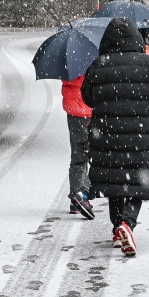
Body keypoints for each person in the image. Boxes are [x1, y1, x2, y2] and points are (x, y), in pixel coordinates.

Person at [81, 18, 149, 256]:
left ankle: (117, 226)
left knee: (114, 181)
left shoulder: (99, 65)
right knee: (137, 182)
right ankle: (128, 223)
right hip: (142, 134)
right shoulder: (148, 65)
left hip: (107, 134)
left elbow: (87, 97)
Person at [62, 74, 95, 220]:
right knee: (97, 156)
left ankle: (75, 200)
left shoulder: (69, 63)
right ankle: (82, 194)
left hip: (73, 112)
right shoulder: (96, 61)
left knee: (77, 156)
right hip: (91, 110)